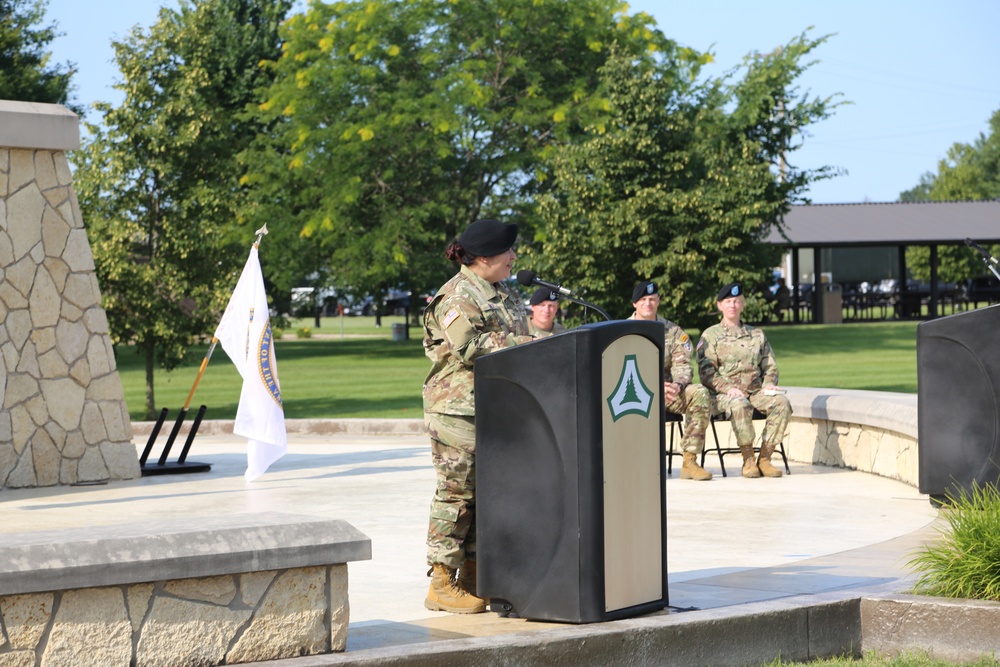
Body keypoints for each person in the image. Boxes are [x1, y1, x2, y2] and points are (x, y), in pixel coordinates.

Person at [421, 218, 534, 614]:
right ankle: (440, 582)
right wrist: (531, 340)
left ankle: (473, 575)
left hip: (496, 407)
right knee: (458, 494)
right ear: (484, 257)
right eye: (507, 252)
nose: (514, 257)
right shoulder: (457, 296)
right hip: (458, 412)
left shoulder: (503, 292)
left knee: (487, 496)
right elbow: (469, 346)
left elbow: (524, 334)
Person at [697, 282, 792, 478]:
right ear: (719, 306)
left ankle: (765, 458)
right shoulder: (710, 335)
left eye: (736, 301)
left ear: (743, 305)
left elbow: (770, 365)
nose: (732, 305)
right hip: (723, 396)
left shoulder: (756, 334)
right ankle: (748, 459)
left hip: (756, 391)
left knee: (782, 403)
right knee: (739, 404)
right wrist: (727, 388)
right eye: (728, 301)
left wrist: (768, 385)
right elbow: (706, 373)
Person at [629, 280, 713, 481]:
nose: (648, 303)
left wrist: (677, 385)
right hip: (635, 395)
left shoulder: (673, 332)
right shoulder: (623, 331)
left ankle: (689, 461)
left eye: (652, 299)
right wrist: (652, 386)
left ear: (658, 301)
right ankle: (633, 463)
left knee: (699, 393)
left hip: (669, 393)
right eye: (643, 300)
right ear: (634, 304)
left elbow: (683, 365)